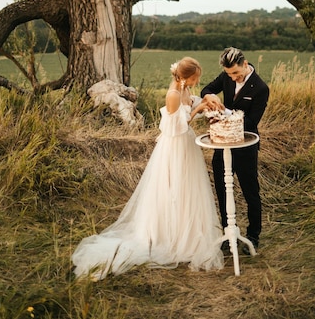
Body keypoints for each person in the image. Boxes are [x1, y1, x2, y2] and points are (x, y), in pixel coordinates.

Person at [71, 57, 224, 280]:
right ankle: (167, 235)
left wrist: (205, 103)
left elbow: (190, 104)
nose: (196, 81)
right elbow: (178, 126)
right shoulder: (172, 95)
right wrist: (198, 107)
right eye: (194, 78)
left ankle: (187, 233)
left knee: (187, 190)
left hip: (186, 145)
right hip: (175, 146)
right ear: (184, 77)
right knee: (173, 188)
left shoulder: (183, 90)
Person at [201, 47, 269, 254]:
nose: (233, 78)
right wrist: (212, 98)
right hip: (222, 145)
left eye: (236, 73)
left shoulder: (260, 88)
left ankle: (253, 236)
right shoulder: (226, 76)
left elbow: (251, 121)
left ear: (246, 64)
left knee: (250, 191)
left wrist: (226, 113)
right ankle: (226, 232)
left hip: (246, 147)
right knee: (222, 189)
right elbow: (205, 90)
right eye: (229, 74)